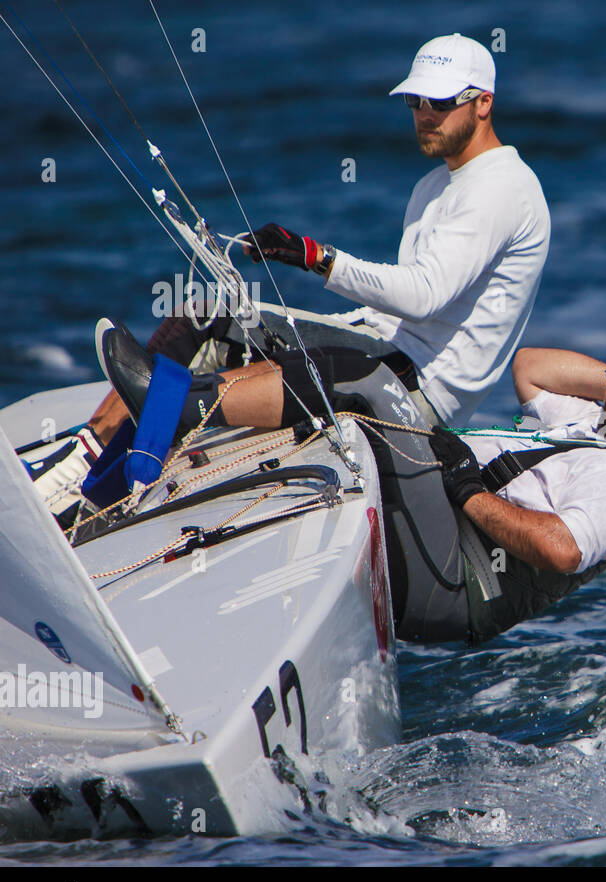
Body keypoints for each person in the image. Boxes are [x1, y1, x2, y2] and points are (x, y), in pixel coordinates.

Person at [31, 32, 550, 522]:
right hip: (381, 347)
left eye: (440, 103)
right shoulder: (438, 184)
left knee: (209, 326)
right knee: (204, 315)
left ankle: (87, 480)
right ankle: (87, 468)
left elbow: (425, 296)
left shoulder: (502, 187)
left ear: (483, 102)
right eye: (415, 102)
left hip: (412, 387)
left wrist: (315, 256)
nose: (424, 115)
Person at [408, 324, 606, 644]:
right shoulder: (596, 422)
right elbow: (529, 367)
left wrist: (468, 490)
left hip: (461, 577)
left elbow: (563, 550)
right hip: (445, 533)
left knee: (370, 390)